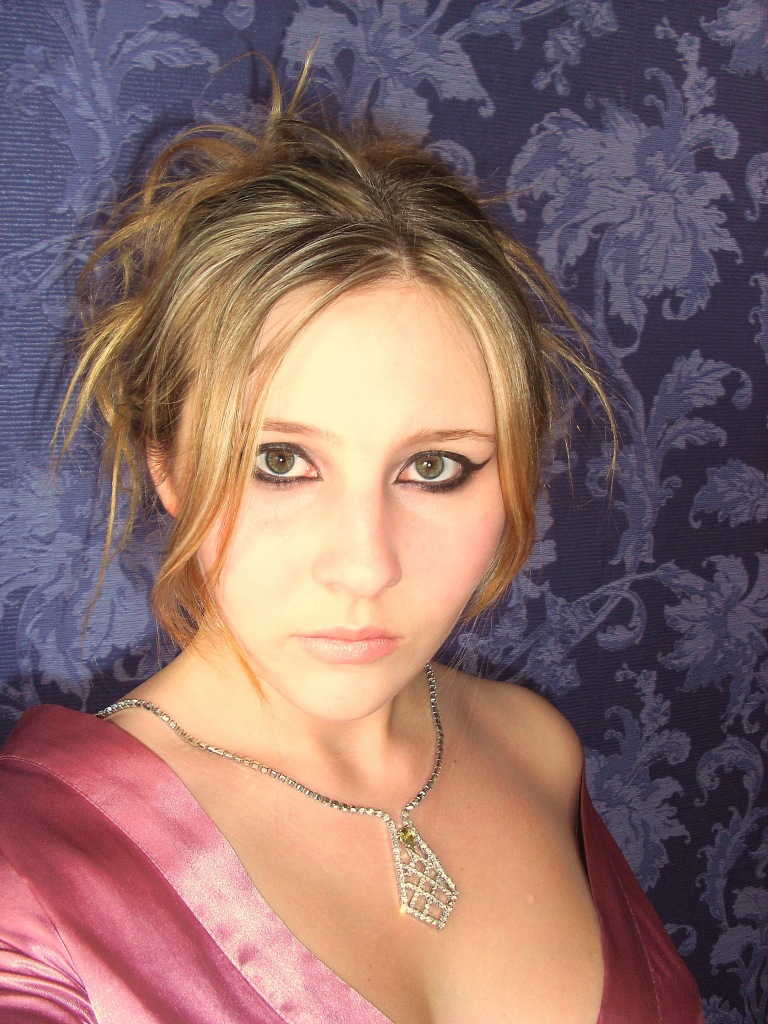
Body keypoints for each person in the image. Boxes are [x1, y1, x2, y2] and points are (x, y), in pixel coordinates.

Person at [0, 71, 702, 1024]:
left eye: (435, 468)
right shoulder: (31, 880)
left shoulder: (539, 752)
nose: (367, 567)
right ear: (167, 464)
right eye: (280, 462)